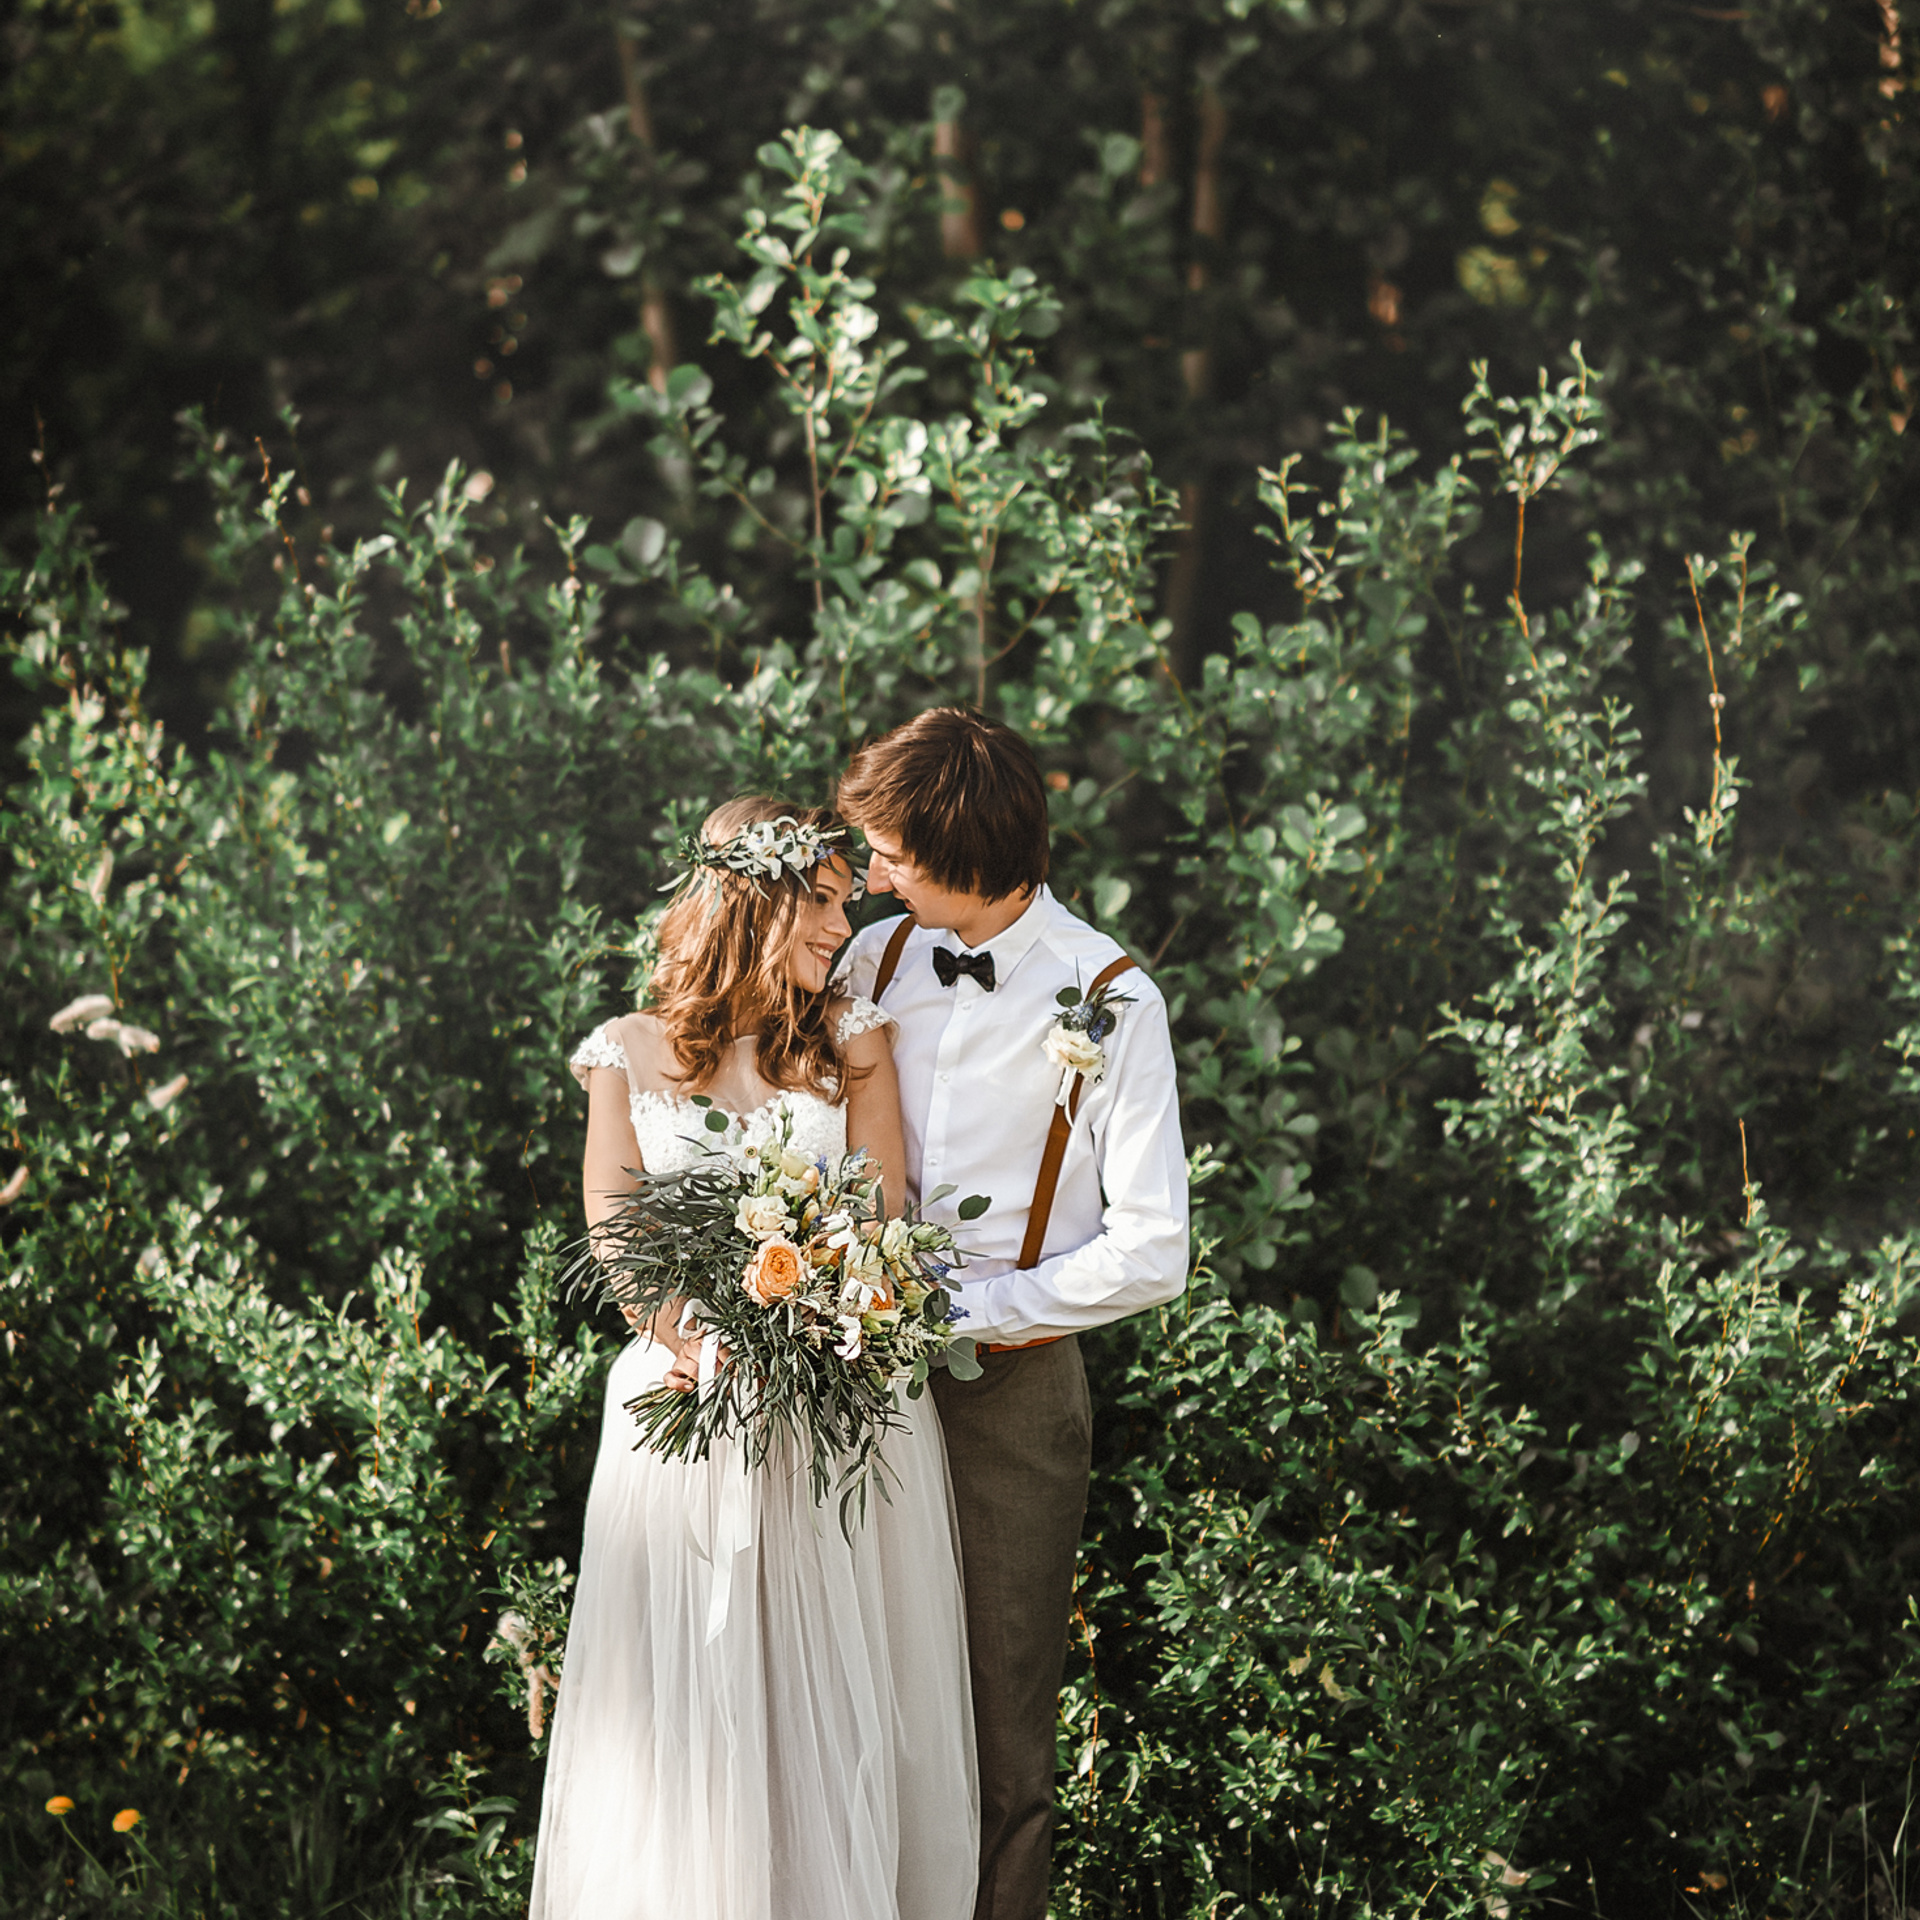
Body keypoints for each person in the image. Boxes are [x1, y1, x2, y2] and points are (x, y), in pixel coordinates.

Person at [532, 796, 980, 1920]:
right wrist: (694, 1336)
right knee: (693, 1704)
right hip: (687, 1402)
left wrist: (811, 1324)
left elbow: (883, 1206)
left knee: (836, 1690)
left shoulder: (850, 1037)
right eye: (824, 902)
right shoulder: (629, 1051)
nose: (847, 922)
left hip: (835, 1397)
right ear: (754, 897)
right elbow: (615, 1225)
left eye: (846, 900)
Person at [833, 709, 1190, 1920]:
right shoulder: (869, 962)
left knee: (999, 1739)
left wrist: (977, 1309)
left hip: (1014, 1394)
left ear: (959, 850)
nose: (868, 878)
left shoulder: (1109, 997)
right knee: (854, 1703)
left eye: (887, 854)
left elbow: (1153, 1250)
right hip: (848, 1380)